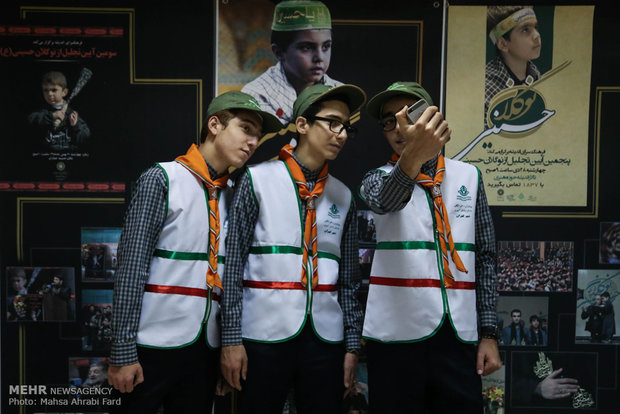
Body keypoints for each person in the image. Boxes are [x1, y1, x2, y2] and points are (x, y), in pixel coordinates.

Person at [107, 91, 281, 414]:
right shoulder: (162, 178)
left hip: (204, 350)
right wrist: (123, 350)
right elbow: (131, 268)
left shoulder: (235, 194)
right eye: (245, 128)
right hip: (149, 345)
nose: (253, 142)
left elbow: (232, 277)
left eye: (258, 135)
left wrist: (224, 346)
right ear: (214, 125)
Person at [220, 83, 366, 413]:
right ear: (302, 124)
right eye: (333, 123)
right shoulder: (256, 179)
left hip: (326, 339)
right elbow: (232, 265)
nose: (342, 134)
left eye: (347, 127)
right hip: (262, 335)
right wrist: (231, 339)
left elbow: (349, 281)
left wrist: (351, 346)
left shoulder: (343, 195)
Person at [358, 81, 501, 413]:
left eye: (408, 115)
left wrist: (489, 334)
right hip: (394, 338)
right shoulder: (375, 178)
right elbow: (387, 201)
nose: (399, 127)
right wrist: (415, 152)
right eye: (389, 122)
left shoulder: (469, 177)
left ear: (431, 117)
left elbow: (486, 257)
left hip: (457, 336)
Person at [241, 0, 342, 126]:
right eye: (306, 48)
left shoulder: (340, 92)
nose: (320, 58)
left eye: (326, 46)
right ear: (279, 52)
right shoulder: (257, 97)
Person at [484, 6, 541, 125]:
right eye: (525, 30)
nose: (537, 36)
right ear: (503, 44)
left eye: (535, 27)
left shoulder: (536, 75)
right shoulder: (486, 88)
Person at [27, 71, 91, 151]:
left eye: (54, 90)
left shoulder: (71, 114)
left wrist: (74, 126)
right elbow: (31, 120)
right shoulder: (43, 111)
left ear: (64, 92)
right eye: (46, 90)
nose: (49, 94)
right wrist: (52, 116)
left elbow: (85, 136)